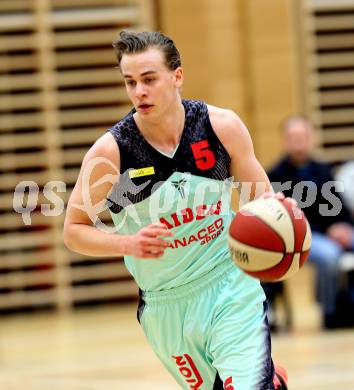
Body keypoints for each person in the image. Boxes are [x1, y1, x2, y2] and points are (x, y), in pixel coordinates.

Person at [63, 30, 288, 389]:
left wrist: (283, 229)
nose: (139, 91)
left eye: (149, 79)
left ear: (177, 76)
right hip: (165, 304)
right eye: (130, 82)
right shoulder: (112, 153)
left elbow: (263, 201)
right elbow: (73, 230)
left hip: (228, 283)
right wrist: (126, 244)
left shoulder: (219, 127)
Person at [267, 116, 354, 329]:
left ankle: (347, 304)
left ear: (310, 138)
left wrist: (342, 226)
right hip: (297, 236)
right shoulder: (275, 174)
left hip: (327, 233)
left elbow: (338, 206)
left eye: (302, 137)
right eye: (293, 137)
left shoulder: (323, 170)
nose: (298, 142)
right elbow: (274, 215)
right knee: (330, 255)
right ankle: (329, 311)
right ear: (285, 140)